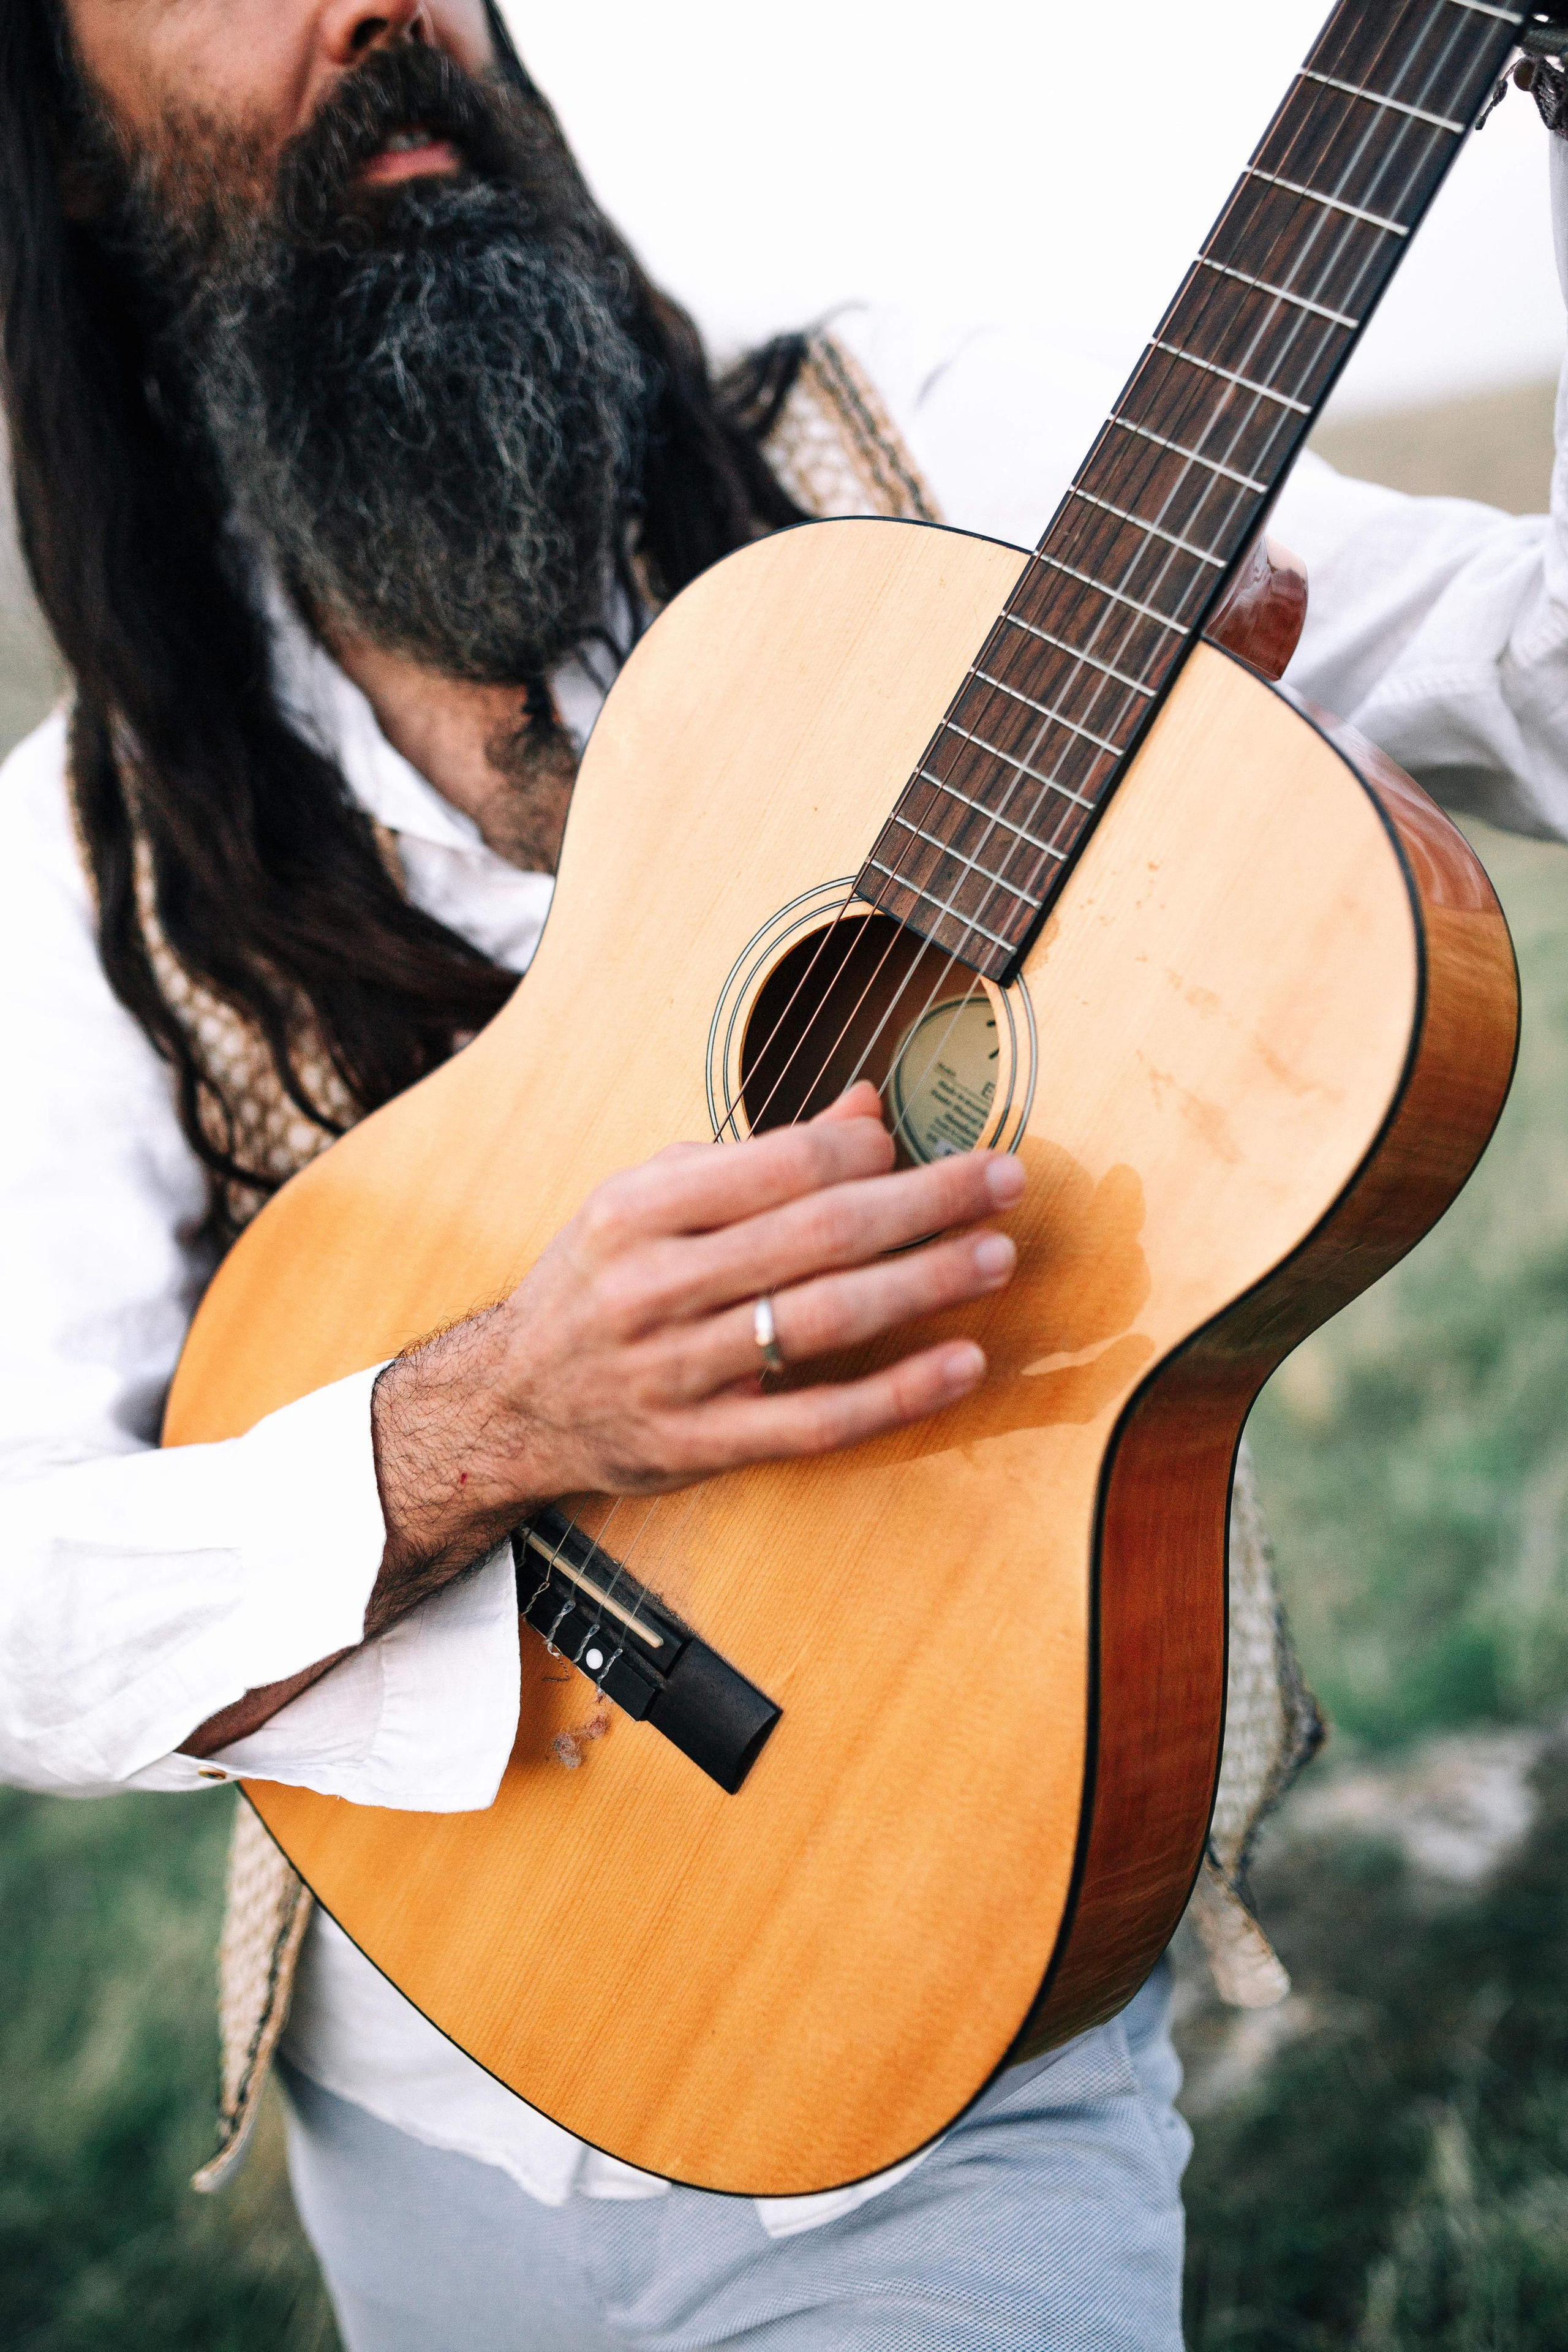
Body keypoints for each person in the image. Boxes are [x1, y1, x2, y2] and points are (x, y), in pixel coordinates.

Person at [3, 4, 1568, 2346]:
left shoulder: (933, 452)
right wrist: (491, 1418)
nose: (373, 6)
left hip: (970, 1993)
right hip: (425, 2076)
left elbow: (1533, 667)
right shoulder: (80, 864)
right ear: (85, 157)